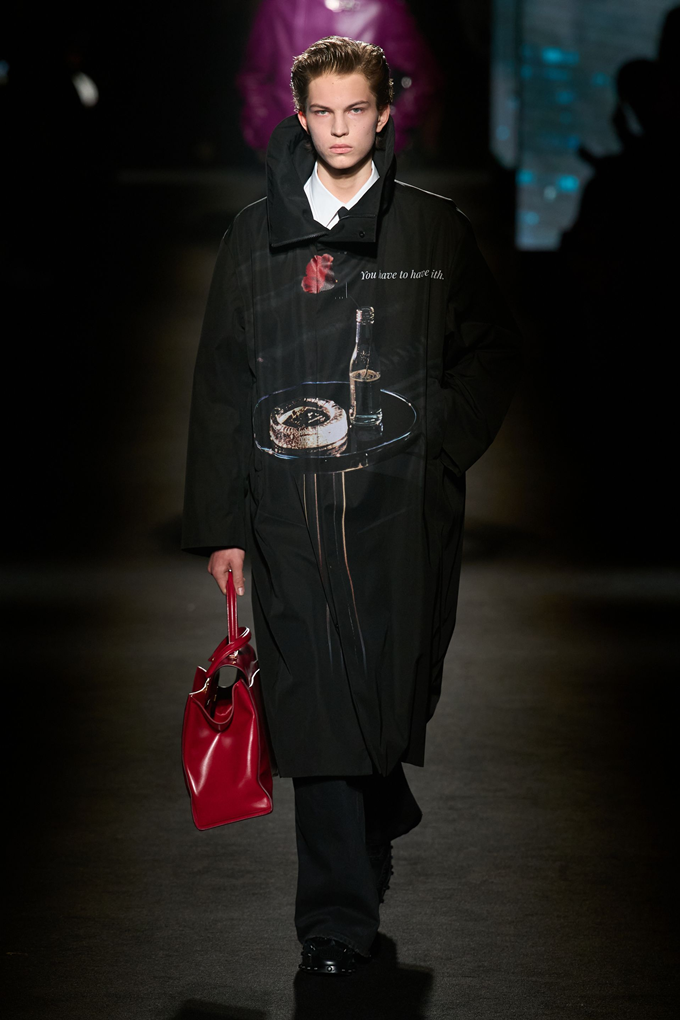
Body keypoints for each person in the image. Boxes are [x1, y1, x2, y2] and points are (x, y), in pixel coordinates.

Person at [182, 35, 522, 976]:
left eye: (356, 111)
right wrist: (221, 525)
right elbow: (222, 384)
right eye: (323, 112)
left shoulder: (434, 231)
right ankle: (334, 923)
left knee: (390, 683)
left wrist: (437, 441)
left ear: (383, 116)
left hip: (401, 507)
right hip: (287, 506)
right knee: (315, 697)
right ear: (300, 117)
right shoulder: (253, 236)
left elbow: (493, 350)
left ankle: (377, 815)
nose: (339, 129)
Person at [235, 0, 443, 154]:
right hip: (293, 151)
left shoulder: (381, 8)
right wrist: (271, 134)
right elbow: (254, 76)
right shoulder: (280, 6)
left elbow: (424, 76)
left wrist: (387, 131)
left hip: (361, 154)